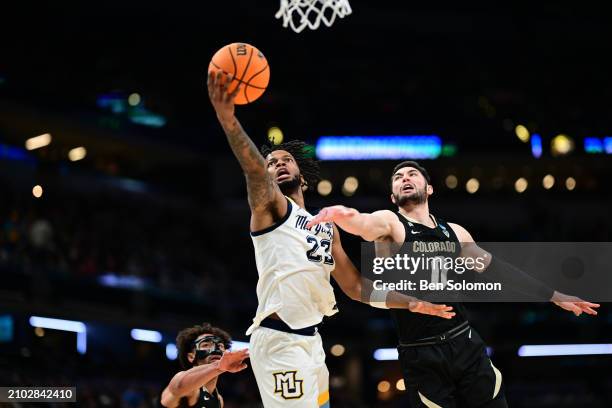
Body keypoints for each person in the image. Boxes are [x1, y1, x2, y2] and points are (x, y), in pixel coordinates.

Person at [207, 73, 454, 407]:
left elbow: (355, 287)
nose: (278, 165)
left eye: (286, 160)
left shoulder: (325, 225)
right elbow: (253, 170)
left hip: (311, 340)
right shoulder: (271, 210)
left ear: (303, 178)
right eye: (271, 164)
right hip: (280, 340)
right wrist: (229, 119)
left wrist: (409, 302)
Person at [306, 160, 600, 408]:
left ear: (429, 189)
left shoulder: (455, 232)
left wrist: (552, 294)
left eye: (412, 175)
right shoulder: (390, 223)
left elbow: (499, 270)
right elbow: (361, 222)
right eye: (397, 178)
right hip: (420, 353)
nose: (404, 179)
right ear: (393, 196)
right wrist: (338, 214)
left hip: (463, 342)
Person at [160, 323, 249, 408]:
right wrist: (218, 366)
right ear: (191, 356)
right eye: (206, 345)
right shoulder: (183, 383)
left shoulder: (219, 400)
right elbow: (179, 387)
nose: (215, 349)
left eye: (220, 346)